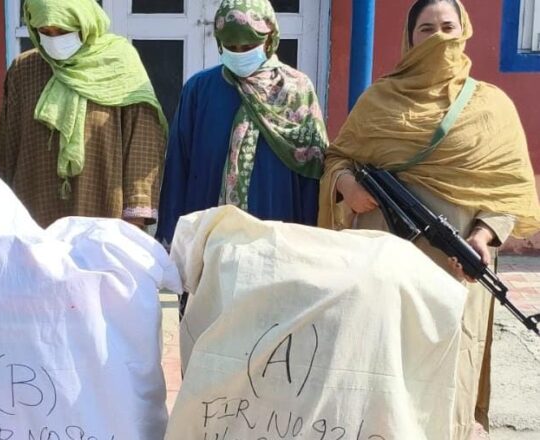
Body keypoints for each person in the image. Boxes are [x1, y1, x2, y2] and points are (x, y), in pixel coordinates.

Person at [318, 1, 540, 438]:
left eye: (447, 27)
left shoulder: (491, 106)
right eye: (426, 29)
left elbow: (508, 192)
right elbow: (337, 157)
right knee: (380, 368)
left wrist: (484, 234)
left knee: (446, 375)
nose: (438, 38)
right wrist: (346, 184)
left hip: (455, 272)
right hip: (380, 270)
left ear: (465, 31)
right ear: (409, 38)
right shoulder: (378, 100)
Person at [155, 0, 327, 247]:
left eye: (248, 46)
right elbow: (178, 165)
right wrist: (172, 238)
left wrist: (312, 238)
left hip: (278, 227)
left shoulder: (296, 91)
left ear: (270, 40)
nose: (239, 53)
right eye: (231, 47)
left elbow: (313, 169)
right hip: (208, 230)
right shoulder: (200, 90)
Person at [0, 0, 167, 229]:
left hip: (105, 219)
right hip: (33, 219)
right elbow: (7, 146)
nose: (54, 39)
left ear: (83, 23)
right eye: (45, 32)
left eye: (63, 31)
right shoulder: (24, 69)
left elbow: (142, 145)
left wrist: (133, 223)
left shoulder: (121, 65)